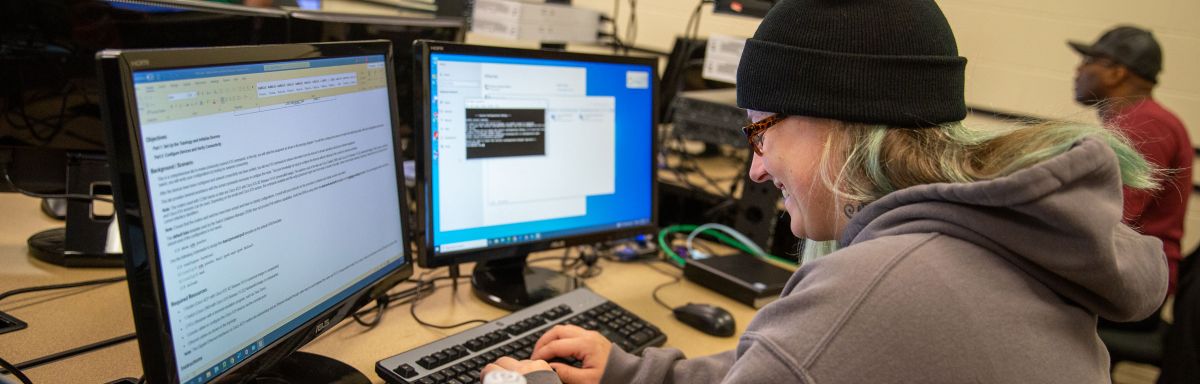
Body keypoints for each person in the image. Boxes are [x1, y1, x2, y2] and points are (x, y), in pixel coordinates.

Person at [481, 0, 1170, 382]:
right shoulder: (995, 240)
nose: (755, 169)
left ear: (834, 120)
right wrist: (634, 375)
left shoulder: (880, 289)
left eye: (760, 130)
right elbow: (789, 365)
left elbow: (805, 356)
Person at [1069, 25, 1192, 296]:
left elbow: (1114, 213)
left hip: (1133, 281)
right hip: (1127, 271)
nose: (1078, 70)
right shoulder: (1139, 120)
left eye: (1089, 61)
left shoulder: (1146, 124)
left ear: (1117, 72)